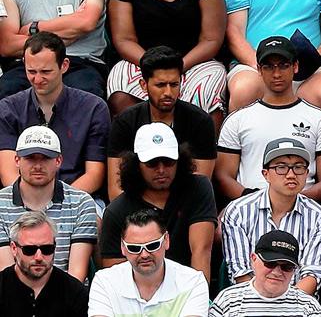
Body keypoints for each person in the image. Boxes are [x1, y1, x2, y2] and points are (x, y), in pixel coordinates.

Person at [214, 37, 321, 201]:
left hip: (303, 207)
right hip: (248, 206)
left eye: (283, 65)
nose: (276, 74)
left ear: (295, 67)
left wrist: (292, 201)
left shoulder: (320, 119)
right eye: (268, 67)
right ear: (258, 69)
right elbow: (223, 176)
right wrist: (255, 200)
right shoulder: (237, 120)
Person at [99, 124, 216, 282]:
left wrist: (198, 299)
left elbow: (201, 251)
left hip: (189, 290)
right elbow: (116, 276)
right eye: (152, 163)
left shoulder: (198, 188)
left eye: (168, 162)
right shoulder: (116, 211)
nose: (161, 170)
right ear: (136, 164)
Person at [0, 34, 108, 194]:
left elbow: (94, 174)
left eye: (46, 71)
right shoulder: (8, 108)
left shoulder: (93, 107)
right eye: (31, 71)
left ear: (64, 65)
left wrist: (61, 202)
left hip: (78, 196)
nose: (37, 79)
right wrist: (31, 202)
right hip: (22, 198)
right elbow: (8, 173)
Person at [220, 138, 321, 293]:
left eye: (298, 167)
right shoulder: (238, 211)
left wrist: (285, 305)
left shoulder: (319, 216)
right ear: (266, 174)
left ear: (306, 173)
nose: (291, 174)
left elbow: (312, 275)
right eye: (281, 167)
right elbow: (240, 273)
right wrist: (265, 305)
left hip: (298, 303)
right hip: (249, 302)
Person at [105, 47, 217, 199]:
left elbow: (200, 187)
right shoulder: (125, 122)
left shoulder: (200, 121)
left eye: (174, 84)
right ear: (144, 85)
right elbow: (116, 190)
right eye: (160, 85)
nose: (168, 93)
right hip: (135, 211)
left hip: (184, 210)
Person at [0, 126, 97, 281]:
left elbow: (76, 275)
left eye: (45, 158)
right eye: (30, 158)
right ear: (17, 160)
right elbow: (5, 276)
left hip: (68, 297)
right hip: (14, 299)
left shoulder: (81, 203)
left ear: (58, 160)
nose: (38, 166)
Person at [86, 208, 209, 317]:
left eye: (152, 246)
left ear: (166, 240)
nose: (144, 254)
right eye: (134, 248)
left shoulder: (193, 282)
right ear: (123, 247)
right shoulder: (104, 282)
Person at [210, 229, 321, 315]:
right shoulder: (228, 300)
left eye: (287, 267)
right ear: (254, 259)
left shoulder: (309, 306)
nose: (277, 272)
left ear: (295, 269)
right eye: (270, 263)